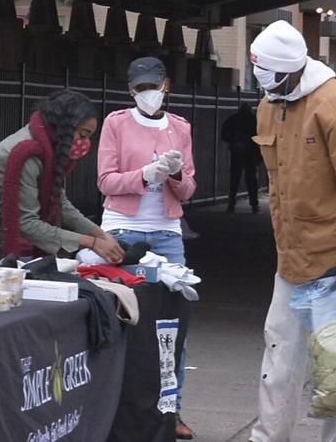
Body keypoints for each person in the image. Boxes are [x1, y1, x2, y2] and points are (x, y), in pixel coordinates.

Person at [248, 20, 336, 442]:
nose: (267, 89)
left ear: (293, 69)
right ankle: (269, 435)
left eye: (273, 80)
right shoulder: (271, 103)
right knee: (280, 357)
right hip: (293, 259)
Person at [96, 56, 197, 440]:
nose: (148, 94)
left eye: (153, 86)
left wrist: (172, 173)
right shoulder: (116, 124)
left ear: (165, 85)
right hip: (123, 228)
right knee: (125, 317)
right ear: (130, 90)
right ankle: (117, 406)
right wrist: (144, 175)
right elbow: (106, 181)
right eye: (140, 88)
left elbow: (189, 188)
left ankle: (171, 411)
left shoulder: (180, 128)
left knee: (174, 323)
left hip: (168, 232)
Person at [0, 91, 124, 264]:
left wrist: (100, 235)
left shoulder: (46, 148)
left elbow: (60, 204)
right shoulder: (27, 153)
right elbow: (27, 223)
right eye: (82, 135)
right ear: (64, 127)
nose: (85, 143)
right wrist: (90, 243)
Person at [221, 102, 260, 214]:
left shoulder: (233, 119)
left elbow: (224, 134)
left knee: (234, 180)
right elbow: (259, 134)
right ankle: (254, 205)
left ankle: (231, 204)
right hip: (250, 153)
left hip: (237, 152)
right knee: (251, 180)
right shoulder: (254, 120)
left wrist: (234, 140)